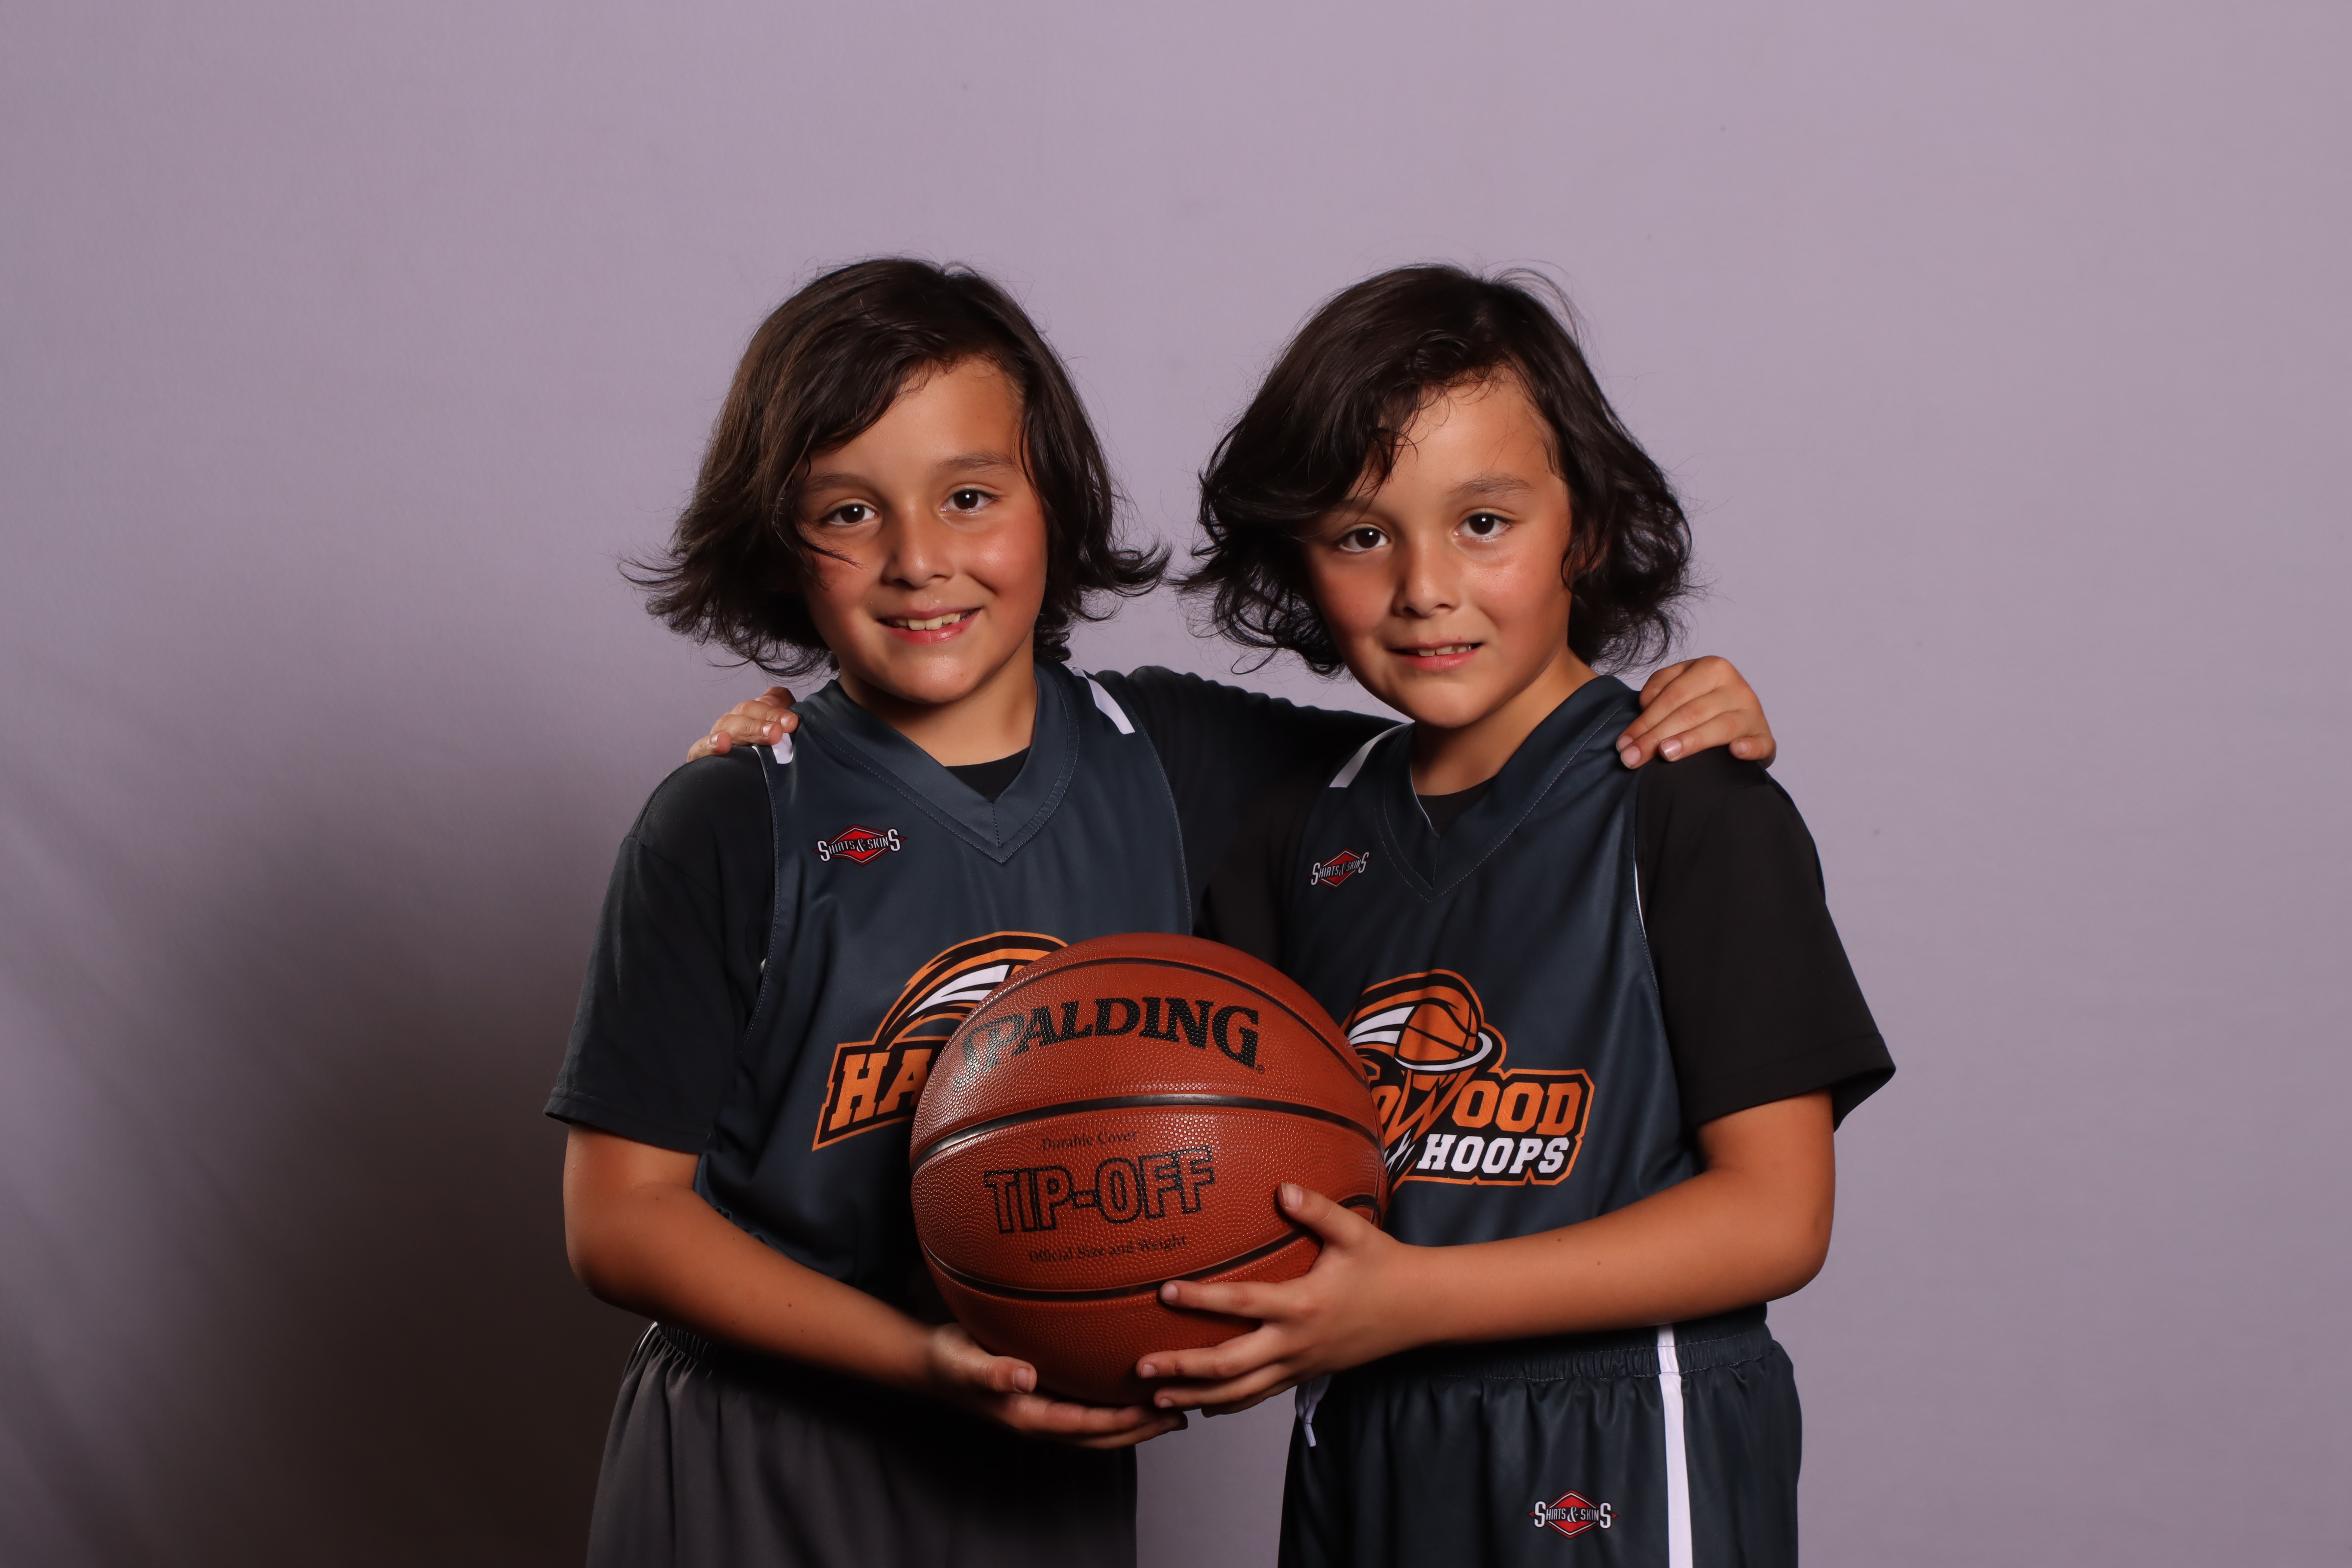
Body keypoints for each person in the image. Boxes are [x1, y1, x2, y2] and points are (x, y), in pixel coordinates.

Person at [554, 257, 1780, 1568]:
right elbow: (621, 1220)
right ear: (779, 538)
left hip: (1044, 1471)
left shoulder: (1179, 763)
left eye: (969, 496)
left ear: (1054, 498)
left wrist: (1662, 709)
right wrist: (919, 1358)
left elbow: (1481, 756)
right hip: (759, 1455)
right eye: (849, 512)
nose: (919, 560)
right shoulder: (735, 814)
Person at [1131, 265, 1895, 1568]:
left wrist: (1415, 1298)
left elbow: (1778, 1219)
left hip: (1621, 1430)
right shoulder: (1297, 827)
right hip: (1364, 1433)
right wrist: (782, 745)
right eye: (1362, 536)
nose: (1425, 585)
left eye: (1483, 522)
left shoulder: (1688, 805)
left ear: (1584, 528)